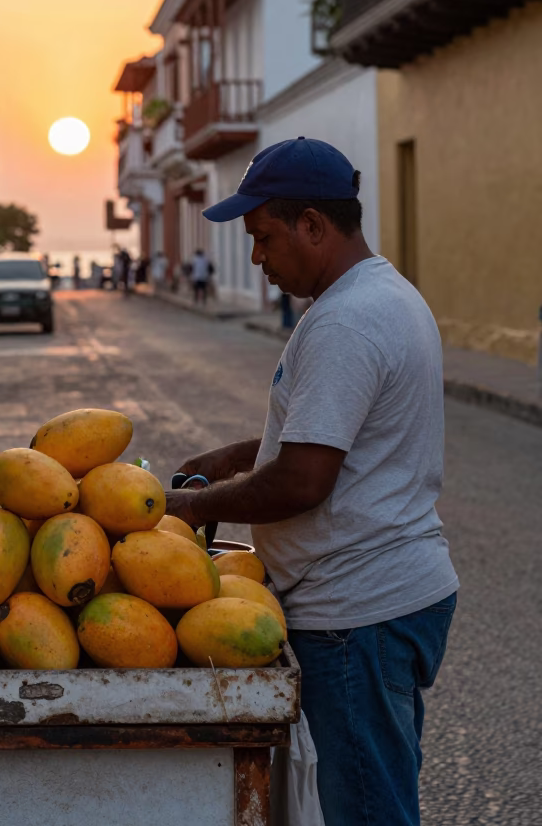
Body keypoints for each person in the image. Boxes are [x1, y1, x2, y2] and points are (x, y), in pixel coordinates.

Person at [164, 137, 458, 826]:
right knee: (375, 792)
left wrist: (190, 506)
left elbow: (303, 479)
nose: (258, 258)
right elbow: (324, 431)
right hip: (381, 600)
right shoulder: (379, 293)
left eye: (264, 238)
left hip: (358, 613)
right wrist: (235, 457)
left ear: (315, 226)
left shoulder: (347, 321)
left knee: (365, 808)